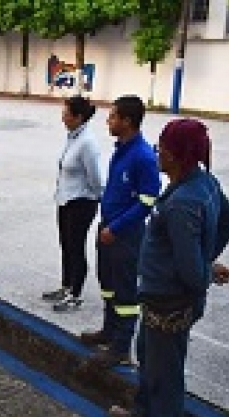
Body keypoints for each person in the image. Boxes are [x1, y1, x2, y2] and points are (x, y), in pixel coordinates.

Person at [111, 118, 229, 417]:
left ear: (177, 154)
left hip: (170, 304)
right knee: (149, 358)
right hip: (157, 300)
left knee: (164, 374)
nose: (157, 153)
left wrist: (206, 267)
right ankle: (142, 414)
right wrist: (207, 255)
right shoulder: (203, 182)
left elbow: (193, 276)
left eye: (162, 147)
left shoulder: (182, 203)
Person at [80, 95, 160, 367]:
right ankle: (109, 331)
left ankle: (122, 348)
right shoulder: (122, 149)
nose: (108, 120)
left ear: (127, 121)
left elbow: (148, 201)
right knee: (108, 285)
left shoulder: (143, 156)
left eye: (113, 116)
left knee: (126, 293)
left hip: (124, 236)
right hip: (108, 230)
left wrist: (117, 227)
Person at [43, 95, 102, 313]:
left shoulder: (87, 142)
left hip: (81, 202)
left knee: (76, 247)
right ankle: (66, 285)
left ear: (78, 117)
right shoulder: (73, 137)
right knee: (66, 245)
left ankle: (75, 294)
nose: (63, 118)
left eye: (66, 114)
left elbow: (96, 179)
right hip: (65, 200)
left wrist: (93, 197)